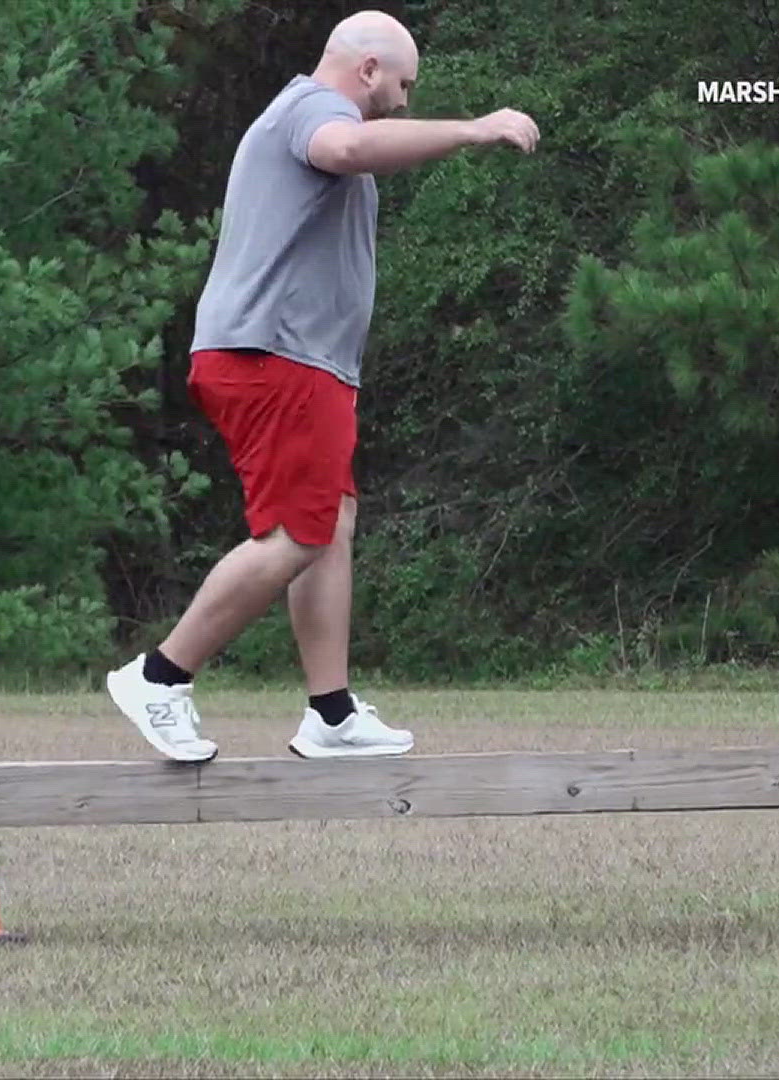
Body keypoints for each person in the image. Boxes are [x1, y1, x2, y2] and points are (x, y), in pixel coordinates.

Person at [106, 9, 541, 762]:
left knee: (327, 523)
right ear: (368, 69)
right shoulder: (316, 108)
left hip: (301, 363)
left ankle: (331, 713)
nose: (404, 102)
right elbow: (344, 147)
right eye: (402, 86)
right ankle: (158, 676)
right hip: (274, 357)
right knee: (295, 535)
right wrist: (474, 128)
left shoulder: (320, 113)